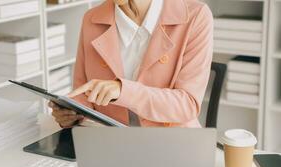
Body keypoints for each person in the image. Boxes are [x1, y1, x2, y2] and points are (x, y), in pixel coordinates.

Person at [48, 0, 213, 128]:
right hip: (111, 145)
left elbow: (187, 104)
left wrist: (122, 90)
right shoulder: (91, 19)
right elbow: (84, 93)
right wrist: (71, 113)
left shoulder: (195, 16)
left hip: (172, 146)